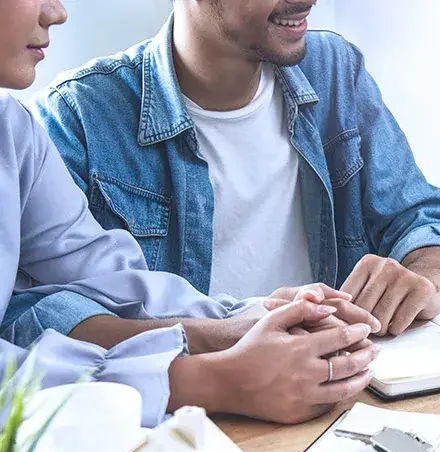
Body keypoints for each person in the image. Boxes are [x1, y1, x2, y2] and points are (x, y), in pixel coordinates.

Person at [1, 0, 378, 427]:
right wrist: (208, 381)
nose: (57, 12)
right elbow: (24, 327)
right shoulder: (72, 111)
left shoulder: (12, 129)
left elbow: (99, 273)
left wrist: (249, 317)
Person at [31, 0, 440, 337]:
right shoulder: (81, 115)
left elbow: (425, 221)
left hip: (338, 401)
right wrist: (230, 341)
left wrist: (427, 276)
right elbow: (38, 319)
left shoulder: (335, 70)